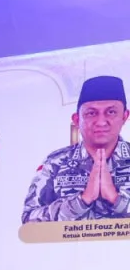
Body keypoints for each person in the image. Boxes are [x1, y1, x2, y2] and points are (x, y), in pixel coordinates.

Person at [22, 75, 130, 223]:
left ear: (125, 116)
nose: (101, 122)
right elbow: (29, 221)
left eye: (111, 112)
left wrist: (116, 199)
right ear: (77, 120)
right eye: (91, 113)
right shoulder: (56, 163)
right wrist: (81, 201)